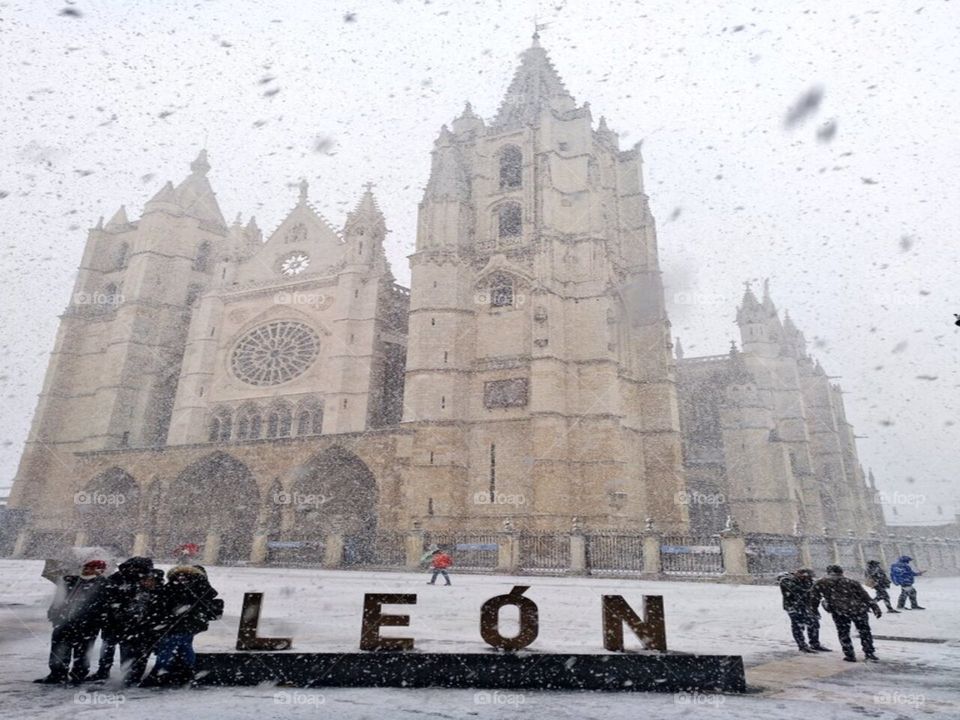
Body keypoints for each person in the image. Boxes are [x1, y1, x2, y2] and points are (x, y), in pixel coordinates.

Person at [140, 565, 223, 687]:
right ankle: (187, 673)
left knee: (168, 648)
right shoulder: (201, 588)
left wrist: (166, 617)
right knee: (185, 647)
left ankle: (160, 673)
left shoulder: (176, 588)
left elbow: (165, 603)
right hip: (191, 624)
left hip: (176, 625)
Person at [35, 559, 108, 684]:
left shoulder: (103, 585)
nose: (86, 570)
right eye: (85, 567)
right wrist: (54, 613)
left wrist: (93, 619)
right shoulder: (72, 580)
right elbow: (60, 597)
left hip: (87, 624)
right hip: (64, 621)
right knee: (59, 648)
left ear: (99, 571)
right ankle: (57, 674)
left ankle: (78, 674)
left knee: (83, 650)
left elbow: (103, 606)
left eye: (90, 568)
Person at [90, 556, 155, 682]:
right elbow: (106, 595)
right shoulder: (120, 578)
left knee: (121, 648)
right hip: (116, 620)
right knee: (111, 646)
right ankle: (109, 671)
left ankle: (120, 673)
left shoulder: (142, 580)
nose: (133, 570)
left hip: (126, 621)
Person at [812, 565, 882, 662]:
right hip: (858, 610)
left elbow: (814, 598)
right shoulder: (851, 581)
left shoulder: (821, 582)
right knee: (865, 632)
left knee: (843, 632)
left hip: (839, 611)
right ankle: (869, 653)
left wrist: (814, 610)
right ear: (841, 572)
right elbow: (864, 595)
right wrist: (875, 607)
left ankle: (849, 654)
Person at [778, 568, 830, 653]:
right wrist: (812, 589)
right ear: (800, 574)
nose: (808, 579)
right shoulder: (786, 580)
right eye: (807, 577)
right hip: (793, 607)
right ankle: (802, 645)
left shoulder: (808, 580)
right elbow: (798, 590)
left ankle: (815, 644)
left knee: (814, 623)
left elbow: (815, 591)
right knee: (798, 626)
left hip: (807, 606)